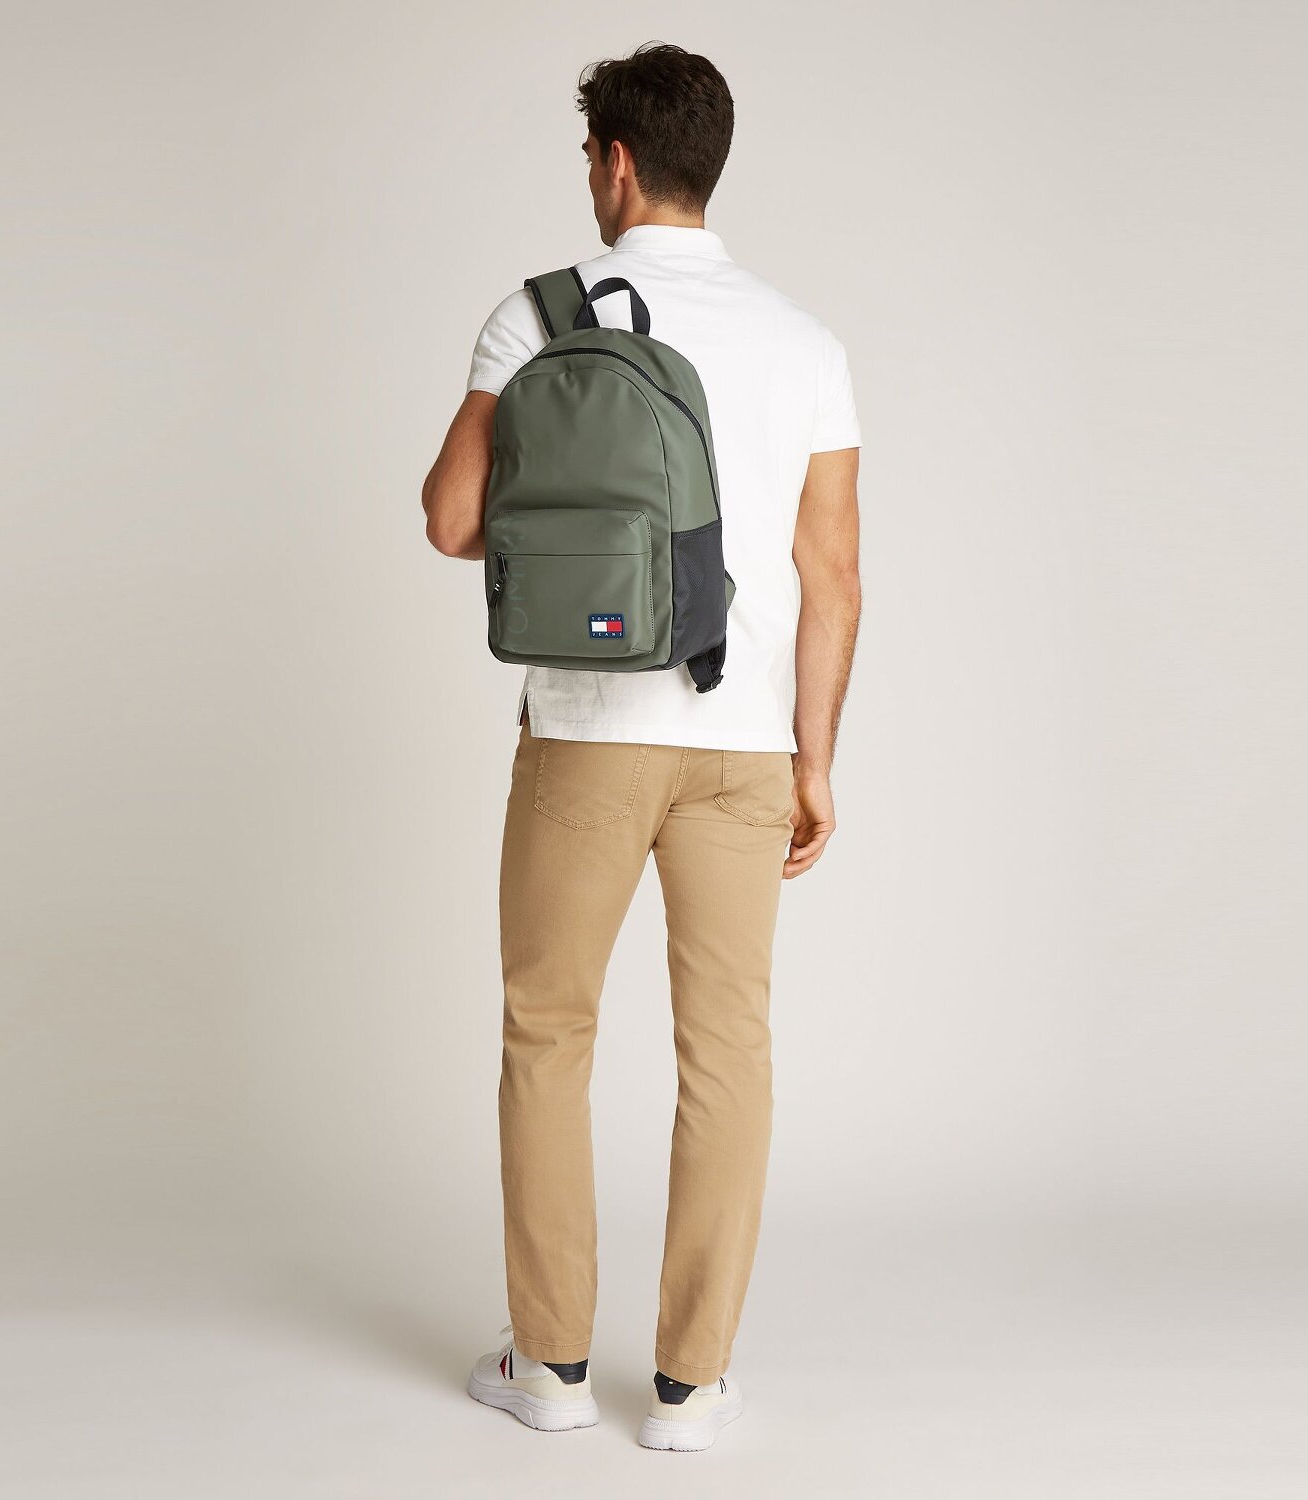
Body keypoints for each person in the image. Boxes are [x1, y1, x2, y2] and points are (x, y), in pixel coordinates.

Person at [422, 42, 861, 1452]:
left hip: (586, 733)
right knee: (727, 1049)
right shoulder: (806, 343)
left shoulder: (536, 316)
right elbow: (834, 577)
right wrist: (813, 761)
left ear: (615, 162)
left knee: (548, 1032)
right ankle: (690, 1389)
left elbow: (450, 519)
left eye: (590, 160)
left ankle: (549, 1370)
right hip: (744, 747)